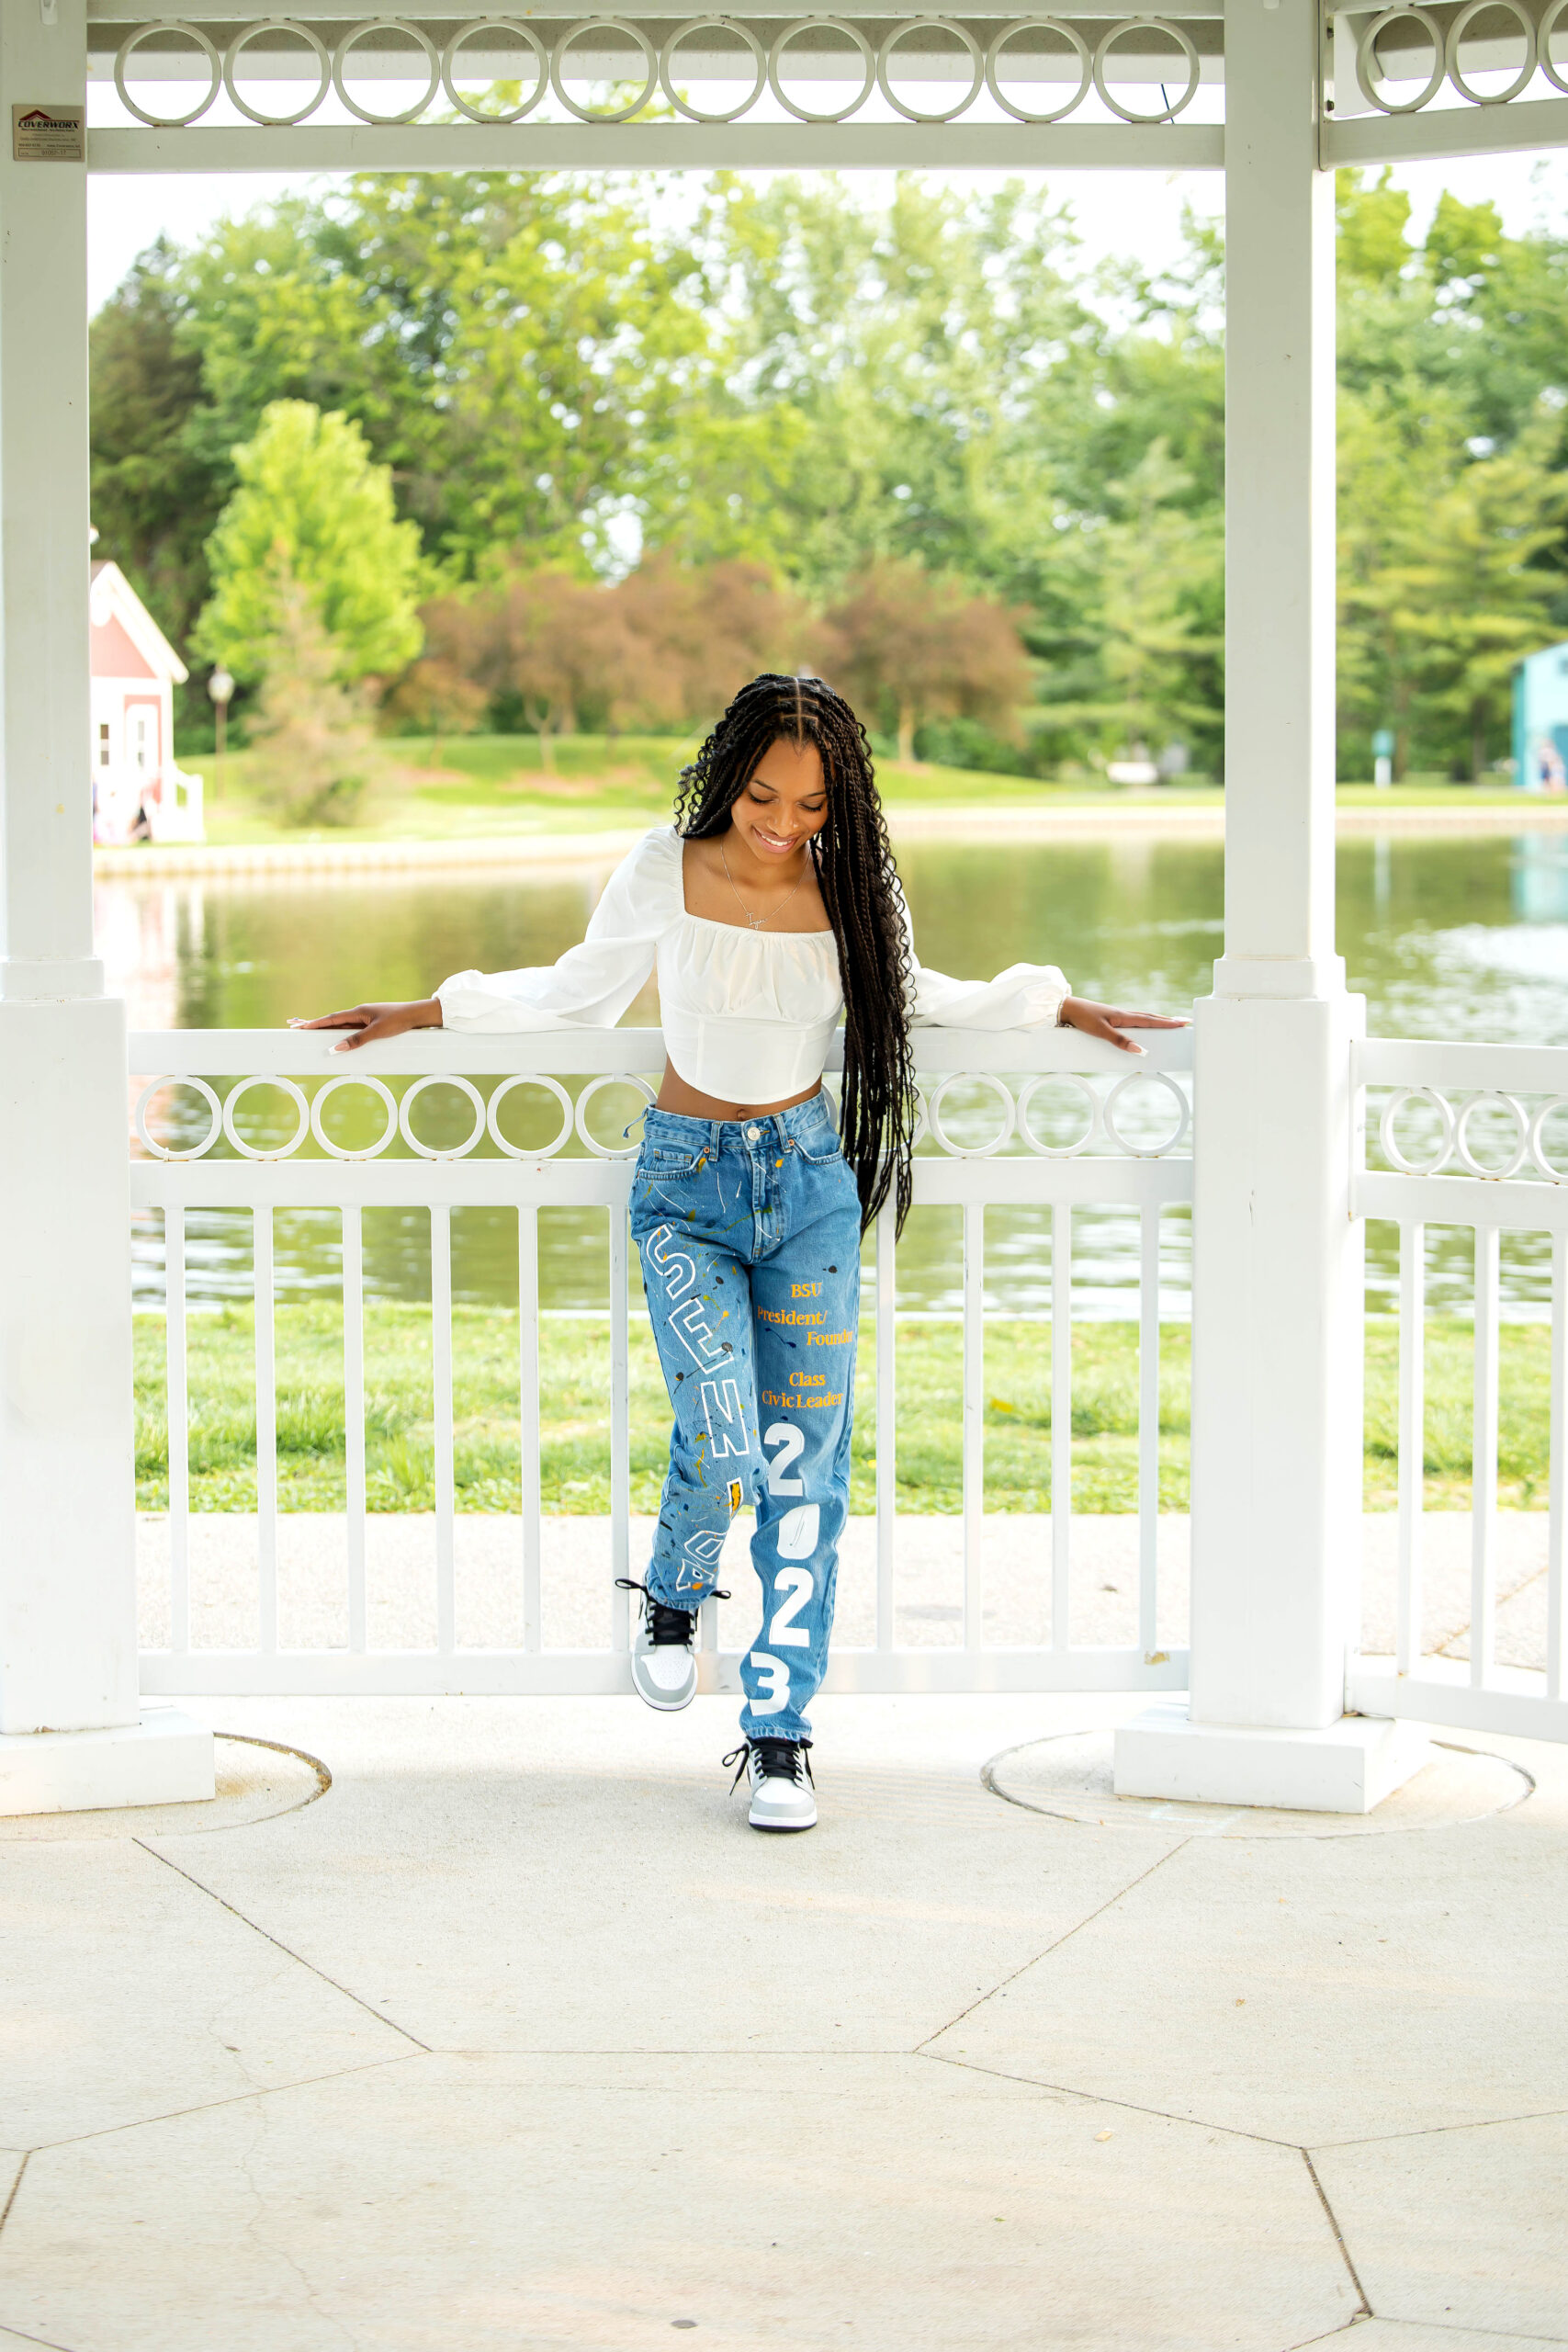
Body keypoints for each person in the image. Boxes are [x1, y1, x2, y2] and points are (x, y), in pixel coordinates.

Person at [294, 674, 1183, 1833]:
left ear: (840, 803)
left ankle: (780, 1736)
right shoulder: (666, 865)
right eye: (765, 794)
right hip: (685, 1188)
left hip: (810, 1188)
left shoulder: (853, 885)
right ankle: (673, 1596)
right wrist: (428, 1010)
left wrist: (1057, 1006)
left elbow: (916, 997)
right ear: (729, 775)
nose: (783, 822)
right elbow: (580, 989)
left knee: (805, 1467)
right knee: (721, 1435)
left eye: (811, 805)